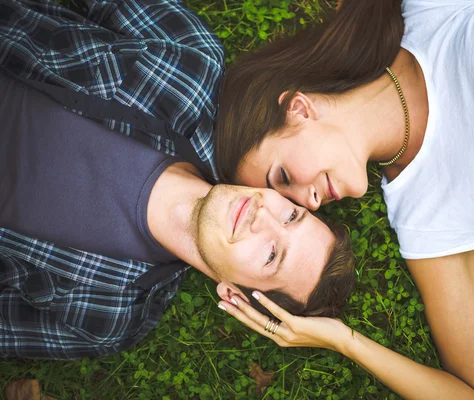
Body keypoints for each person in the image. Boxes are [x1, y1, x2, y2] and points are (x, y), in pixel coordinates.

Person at [214, 0, 474, 398]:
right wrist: (346, 341)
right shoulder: (424, 212)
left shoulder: (426, 13)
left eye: (284, 177)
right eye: (292, 206)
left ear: (298, 109)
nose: (308, 203)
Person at [0, 0, 355, 360]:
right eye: (291, 216)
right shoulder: (191, 70)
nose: (263, 217)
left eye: (272, 254)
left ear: (234, 295)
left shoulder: (103, 319)